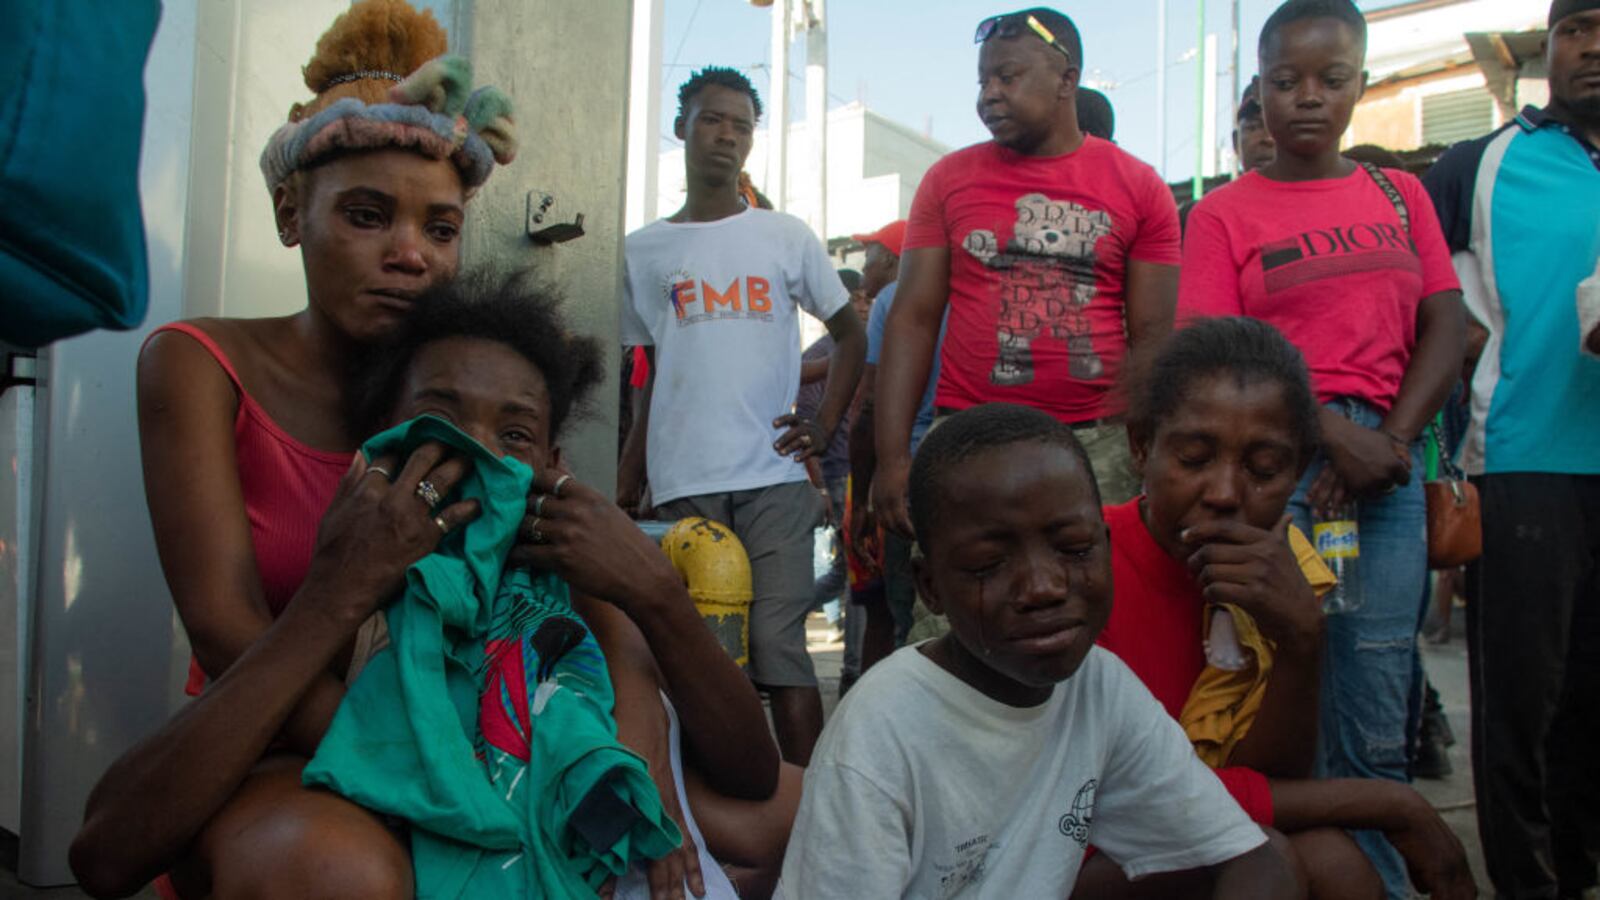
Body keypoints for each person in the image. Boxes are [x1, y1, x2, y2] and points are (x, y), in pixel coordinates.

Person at [72, 272, 788, 899]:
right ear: (379, 440)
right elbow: (105, 853)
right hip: (353, 803)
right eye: (440, 421)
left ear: (551, 462)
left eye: (513, 436)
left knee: (796, 804)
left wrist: (655, 593)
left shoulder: (564, 573)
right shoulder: (365, 587)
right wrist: (338, 592)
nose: (478, 451)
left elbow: (752, 773)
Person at [1176, 2, 1466, 894]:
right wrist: (1329, 435)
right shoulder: (1222, 214)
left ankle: (1376, 878)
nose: (1307, 98)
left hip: (1384, 474)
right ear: (1259, 89)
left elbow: (1446, 323)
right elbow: (1213, 354)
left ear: (1359, 86)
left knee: (1377, 693)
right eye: (1285, 81)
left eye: (1331, 80)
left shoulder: (1399, 194)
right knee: (1270, 691)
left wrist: (1389, 440)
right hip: (1274, 473)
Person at [777, 403, 1298, 899]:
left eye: (1074, 549)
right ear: (930, 586)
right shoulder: (881, 732)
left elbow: (1253, 858)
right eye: (988, 565)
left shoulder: (1099, 685)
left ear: (1105, 546)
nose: (1044, 587)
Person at [1080, 316, 1474, 900]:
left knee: (1334, 862)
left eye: (1263, 470)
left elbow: (1271, 778)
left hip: (1200, 828)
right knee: (1268, 856)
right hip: (1083, 846)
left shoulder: (1286, 573)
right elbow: (1136, 798)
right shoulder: (1087, 566)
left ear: (1296, 471)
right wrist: (1389, 802)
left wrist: (1299, 637)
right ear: (1141, 446)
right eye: (1194, 458)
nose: (1224, 493)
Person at [617, 66, 866, 766]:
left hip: (773, 476)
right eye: (711, 120)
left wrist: (822, 427)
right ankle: (714, 796)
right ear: (682, 128)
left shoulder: (784, 235)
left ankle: (807, 799)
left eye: (741, 126)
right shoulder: (642, 251)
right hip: (683, 478)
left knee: (777, 643)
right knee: (700, 650)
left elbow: (851, 337)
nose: (726, 136)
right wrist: (630, 472)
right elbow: (650, 376)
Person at [873, 8, 1180, 538]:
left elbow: (1152, 336)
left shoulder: (1140, 187)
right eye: (983, 81)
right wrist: (893, 458)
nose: (989, 95)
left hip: (1099, 445)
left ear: (1067, 80)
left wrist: (1149, 445)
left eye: (1007, 77)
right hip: (970, 437)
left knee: (1095, 584)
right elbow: (912, 320)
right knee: (965, 585)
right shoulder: (947, 180)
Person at [1421, 1, 1600, 894]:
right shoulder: (1479, 163)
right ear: (1549, 46)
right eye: (1577, 28)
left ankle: (1583, 867)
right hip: (1526, 461)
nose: (1592, 46)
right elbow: (1420, 290)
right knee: (1524, 701)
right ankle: (1529, 884)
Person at [847, 219, 928, 658]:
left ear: (895, 261)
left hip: (908, 479)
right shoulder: (968, 293)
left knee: (907, 616)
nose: (865, 270)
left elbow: (870, 405)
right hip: (963, 462)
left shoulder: (893, 299)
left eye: (871, 259)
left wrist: (861, 500)